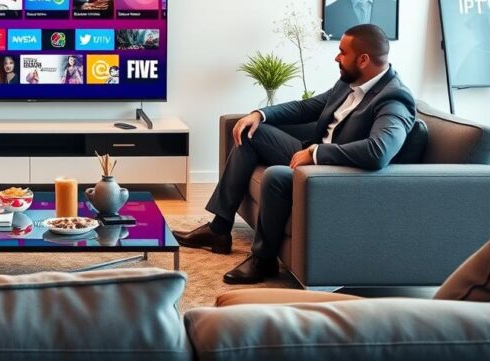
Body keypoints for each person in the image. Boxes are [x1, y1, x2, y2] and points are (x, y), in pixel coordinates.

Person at [172, 24, 415, 284]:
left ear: (363, 60)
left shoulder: (393, 99)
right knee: (250, 132)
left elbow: (379, 151)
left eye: (343, 52)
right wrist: (259, 114)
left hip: (336, 174)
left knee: (276, 176)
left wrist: (317, 153)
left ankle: (264, 260)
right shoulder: (351, 83)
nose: (336, 57)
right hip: (314, 157)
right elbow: (305, 108)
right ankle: (219, 230)